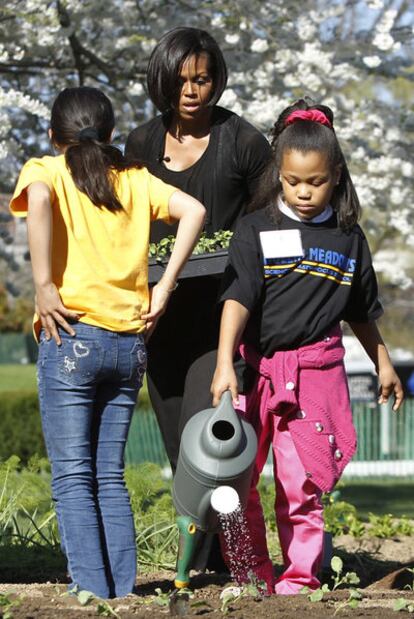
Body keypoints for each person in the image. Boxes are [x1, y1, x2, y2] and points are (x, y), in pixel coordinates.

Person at [9, 86, 205, 599]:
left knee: (74, 478)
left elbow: (42, 199)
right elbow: (195, 211)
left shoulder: (45, 170)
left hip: (70, 337)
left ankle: (93, 595)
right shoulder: (136, 180)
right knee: (108, 477)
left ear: (54, 136)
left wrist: (45, 286)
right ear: (112, 133)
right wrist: (163, 288)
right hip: (128, 345)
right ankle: (121, 592)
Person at [211, 99, 404, 594]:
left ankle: (300, 579)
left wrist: (383, 363)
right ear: (279, 173)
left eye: (315, 182)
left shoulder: (347, 237)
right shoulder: (256, 228)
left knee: (302, 485)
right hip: (254, 372)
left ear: (335, 175)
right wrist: (223, 363)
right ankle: (249, 575)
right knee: (236, 483)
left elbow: (361, 310)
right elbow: (238, 298)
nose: (302, 192)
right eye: (292, 181)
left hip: (316, 374)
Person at [125, 27, 271, 571]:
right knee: (176, 449)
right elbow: (126, 220)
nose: (192, 91)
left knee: (208, 442)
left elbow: (263, 226)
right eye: (182, 80)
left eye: (203, 79)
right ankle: (206, 561)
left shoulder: (243, 142)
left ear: (217, 80)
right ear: (163, 79)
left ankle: (232, 563)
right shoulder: (140, 144)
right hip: (158, 319)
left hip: (221, 319)